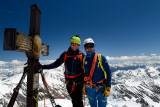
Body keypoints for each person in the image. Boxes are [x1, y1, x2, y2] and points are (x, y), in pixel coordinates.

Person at [42, 35, 85, 107]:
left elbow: (86, 69)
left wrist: (84, 81)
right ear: (71, 44)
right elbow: (56, 64)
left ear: (79, 45)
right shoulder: (65, 54)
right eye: (73, 44)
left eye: (77, 44)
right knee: (74, 100)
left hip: (78, 83)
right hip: (69, 83)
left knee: (79, 101)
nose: (75, 46)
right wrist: (44, 67)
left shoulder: (81, 55)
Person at [82, 38, 111, 107]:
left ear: (93, 47)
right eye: (87, 46)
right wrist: (84, 85)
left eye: (91, 46)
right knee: (93, 105)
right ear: (84, 48)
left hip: (101, 87)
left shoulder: (101, 58)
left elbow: (108, 72)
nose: (89, 48)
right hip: (89, 88)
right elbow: (84, 74)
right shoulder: (84, 60)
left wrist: (108, 87)